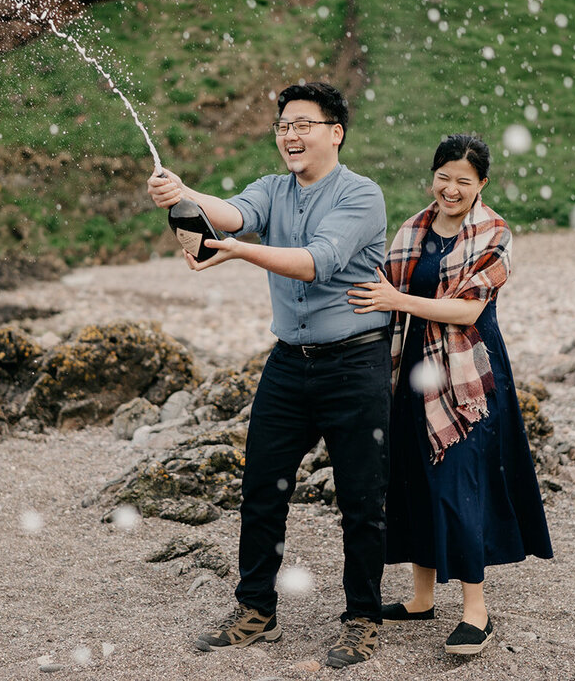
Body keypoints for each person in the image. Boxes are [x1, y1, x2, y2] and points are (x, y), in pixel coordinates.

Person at [146, 82, 392, 669]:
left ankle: (362, 618)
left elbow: (314, 262)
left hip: (357, 362)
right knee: (261, 489)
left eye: (303, 124)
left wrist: (233, 251)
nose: (290, 135)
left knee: (361, 500)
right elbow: (232, 213)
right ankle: (255, 609)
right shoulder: (272, 189)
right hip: (288, 362)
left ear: (335, 132)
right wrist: (184, 195)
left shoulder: (363, 196)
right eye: (283, 125)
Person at [347, 133, 553, 656]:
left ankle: (476, 612)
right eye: (444, 177)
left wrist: (399, 299)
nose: (451, 188)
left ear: (482, 184)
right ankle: (420, 598)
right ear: (432, 176)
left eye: (464, 180)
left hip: (468, 376)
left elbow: (467, 312)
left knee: (459, 483)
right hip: (411, 366)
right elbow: (376, 284)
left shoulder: (494, 233)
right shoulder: (412, 228)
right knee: (414, 477)